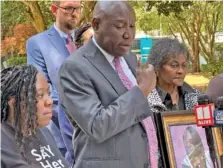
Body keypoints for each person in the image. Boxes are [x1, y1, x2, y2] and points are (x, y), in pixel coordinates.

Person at [58, 1, 156, 168]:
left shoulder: (130, 58)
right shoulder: (74, 68)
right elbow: (97, 126)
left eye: (132, 26)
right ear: (96, 25)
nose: (128, 35)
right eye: (120, 26)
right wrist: (141, 92)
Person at [26, 0, 81, 164]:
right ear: (54, 9)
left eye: (78, 8)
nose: (74, 12)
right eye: (68, 8)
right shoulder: (38, 43)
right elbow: (42, 92)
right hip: (62, 136)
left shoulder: (89, 39)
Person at [145, 38, 201, 168]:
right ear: (157, 67)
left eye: (183, 65)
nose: (181, 71)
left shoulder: (196, 97)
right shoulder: (144, 100)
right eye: (174, 65)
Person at [1, 65, 69, 168]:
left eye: (48, 93)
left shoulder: (43, 131)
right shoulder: (3, 141)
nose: (50, 101)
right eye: (40, 95)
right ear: (14, 103)